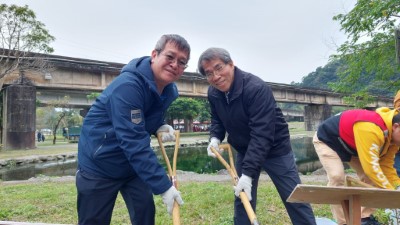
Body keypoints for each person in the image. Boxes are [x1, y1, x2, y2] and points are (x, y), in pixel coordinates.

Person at [76, 34, 190, 225]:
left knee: (145, 214)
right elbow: (133, 140)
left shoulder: (170, 90)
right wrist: (164, 186)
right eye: (170, 57)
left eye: (182, 62)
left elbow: (147, 115)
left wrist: (159, 125)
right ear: (154, 55)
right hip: (99, 164)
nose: (174, 64)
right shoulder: (128, 86)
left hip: (131, 166)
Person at [197, 47, 317, 225]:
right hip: (244, 148)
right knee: (242, 196)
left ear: (231, 64)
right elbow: (217, 119)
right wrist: (215, 137)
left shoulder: (255, 88)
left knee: (294, 197)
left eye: (219, 68)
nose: (215, 76)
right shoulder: (213, 93)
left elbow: (262, 134)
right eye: (209, 73)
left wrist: (248, 174)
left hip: (275, 148)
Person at [313, 106, 400, 225]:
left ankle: (364, 219)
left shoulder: (394, 140)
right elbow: (371, 167)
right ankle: (343, 222)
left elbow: (387, 167)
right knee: (336, 176)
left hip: (352, 147)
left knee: (372, 179)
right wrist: (394, 195)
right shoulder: (371, 128)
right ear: (396, 126)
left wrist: (397, 187)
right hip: (328, 140)